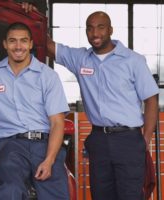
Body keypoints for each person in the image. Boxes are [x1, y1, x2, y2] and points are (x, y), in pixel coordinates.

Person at [47, 11, 159, 200]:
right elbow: (49, 46)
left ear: (110, 30)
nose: (95, 33)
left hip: (129, 139)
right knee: (100, 195)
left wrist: (144, 141)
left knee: (130, 195)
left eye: (100, 27)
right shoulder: (80, 58)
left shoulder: (133, 60)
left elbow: (151, 100)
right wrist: (32, 14)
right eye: (90, 28)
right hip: (98, 139)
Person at [0, 22, 70, 200]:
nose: (18, 46)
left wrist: (49, 160)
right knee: (10, 190)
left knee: (55, 193)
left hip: (44, 144)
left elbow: (57, 123)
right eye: (12, 41)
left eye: (23, 41)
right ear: (5, 44)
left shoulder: (47, 76)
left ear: (31, 44)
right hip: (11, 145)